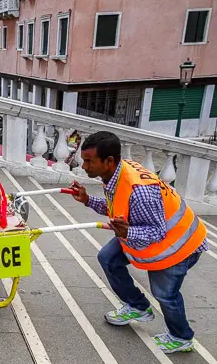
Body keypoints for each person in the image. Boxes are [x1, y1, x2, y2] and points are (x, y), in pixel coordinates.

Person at [71, 131, 208, 354]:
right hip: (145, 234)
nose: (84, 166)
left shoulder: (140, 190)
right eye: (84, 160)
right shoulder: (116, 174)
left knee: (165, 294)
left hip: (180, 244)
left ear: (109, 161)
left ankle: (182, 337)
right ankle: (137, 306)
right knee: (108, 258)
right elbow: (121, 209)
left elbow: (157, 233)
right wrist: (88, 200)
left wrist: (128, 232)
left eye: (89, 161)